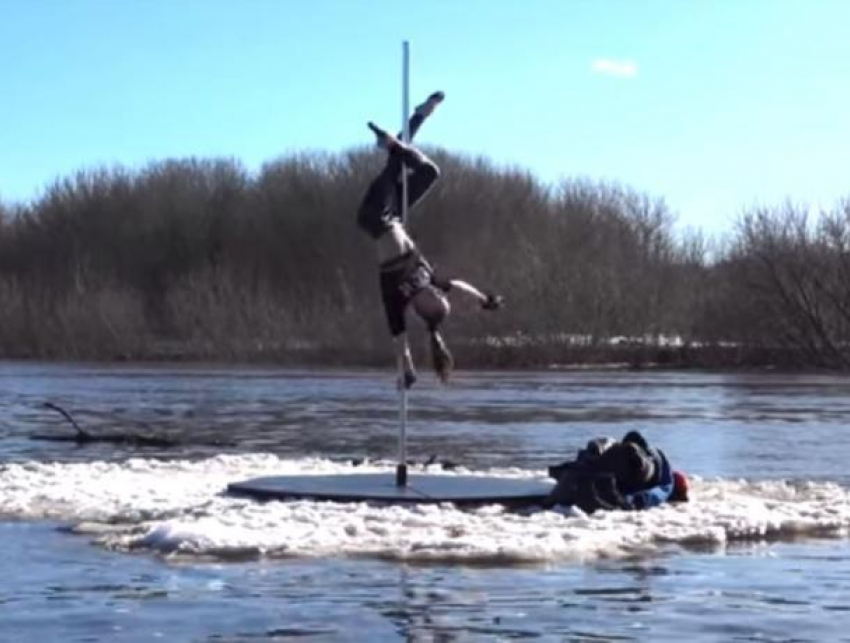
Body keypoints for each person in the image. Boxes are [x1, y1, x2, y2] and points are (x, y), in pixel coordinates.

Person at [357, 91, 503, 389]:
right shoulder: (428, 280)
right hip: (394, 215)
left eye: (438, 299)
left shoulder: (397, 298)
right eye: (442, 296)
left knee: (394, 162)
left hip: (375, 217)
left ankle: (411, 127)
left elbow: (398, 337)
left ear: (424, 307)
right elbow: (459, 286)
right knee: (429, 172)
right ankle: (419, 117)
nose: (441, 294)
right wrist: (484, 300)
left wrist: (408, 370)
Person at [545, 430, 689, 513]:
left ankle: (581, 482)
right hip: (634, 467)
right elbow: (659, 492)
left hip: (631, 465)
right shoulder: (665, 473)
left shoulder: (662, 467)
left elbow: (659, 491)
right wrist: (636, 502)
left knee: (588, 468)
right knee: (593, 472)